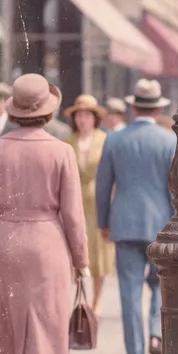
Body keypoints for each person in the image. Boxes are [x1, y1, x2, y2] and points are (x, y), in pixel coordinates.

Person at [0, 74, 89, 354]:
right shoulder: (61, 151)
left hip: (6, 240)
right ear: (47, 111)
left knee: (12, 324)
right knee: (42, 326)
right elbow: (73, 215)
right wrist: (81, 261)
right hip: (47, 243)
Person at [95, 79, 176, 354]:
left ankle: (136, 352)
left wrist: (103, 222)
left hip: (125, 224)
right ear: (157, 109)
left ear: (132, 107)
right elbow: (174, 189)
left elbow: (103, 187)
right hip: (161, 223)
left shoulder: (115, 140)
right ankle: (156, 333)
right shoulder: (170, 140)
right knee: (161, 284)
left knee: (129, 290)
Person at [65, 94, 115, 316]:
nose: (82, 120)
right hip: (74, 200)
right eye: (79, 116)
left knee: (98, 252)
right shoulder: (68, 143)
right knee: (76, 247)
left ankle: (97, 298)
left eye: (87, 116)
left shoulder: (104, 140)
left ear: (95, 118)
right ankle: (79, 297)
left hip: (99, 200)